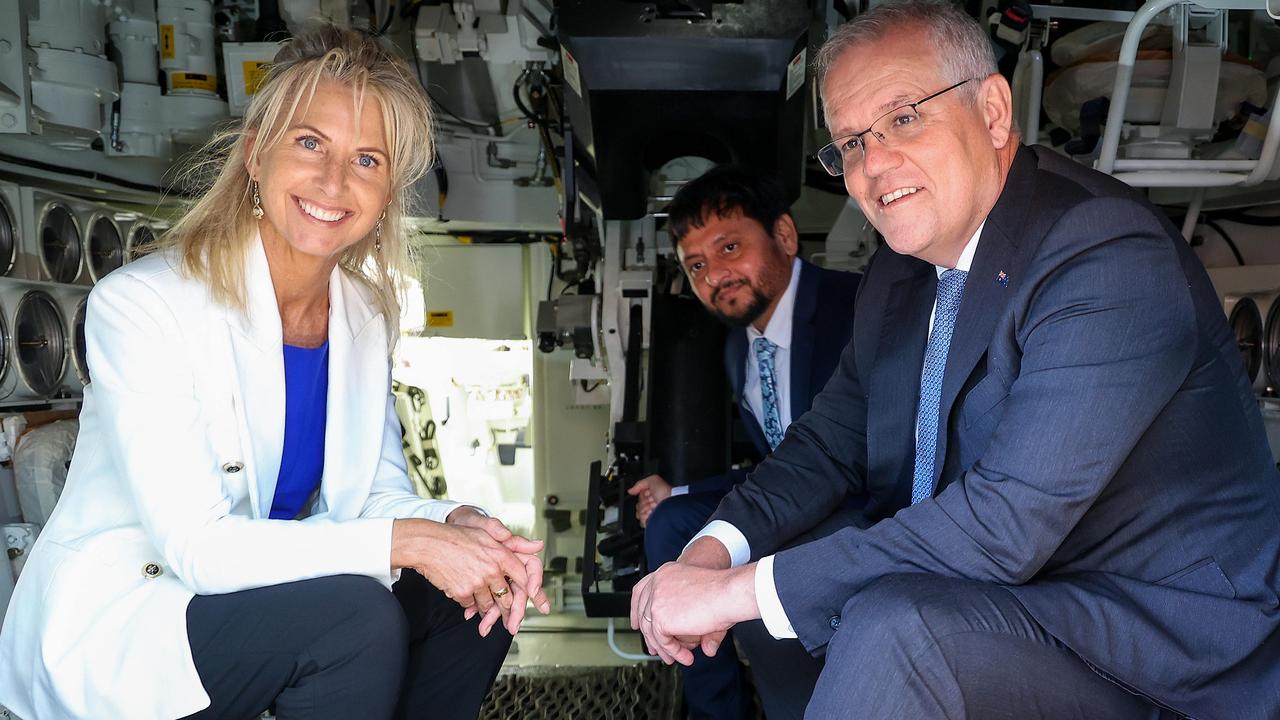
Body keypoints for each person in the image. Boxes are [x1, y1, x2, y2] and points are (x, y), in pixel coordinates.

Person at [630, 2, 1280, 718]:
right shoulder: (901, 273)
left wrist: (736, 591)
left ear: (994, 111)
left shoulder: (1104, 253)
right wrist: (713, 552)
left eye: (905, 118)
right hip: (1019, 601)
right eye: (849, 143)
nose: (874, 164)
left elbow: (1005, 523)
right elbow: (825, 446)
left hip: (1155, 640)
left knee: (893, 629)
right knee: (805, 600)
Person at [0, 26, 549, 720]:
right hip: (141, 618)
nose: (333, 182)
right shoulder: (144, 305)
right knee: (354, 620)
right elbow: (198, 548)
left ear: (387, 192)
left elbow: (373, 496)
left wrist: (463, 527)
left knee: (472, 601)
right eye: (310, 143)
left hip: (253, 599)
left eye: (367, 160)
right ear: (257, 154)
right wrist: (414, 542)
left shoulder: (363, 314)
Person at [627, 165, 860, 719]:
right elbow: (781, 465)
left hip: (861, 508)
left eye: (730, 247)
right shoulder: (740, 350)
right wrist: (678, 489)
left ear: (783, 235)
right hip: (798, 500)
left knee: (756, 615)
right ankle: (717, 712)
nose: (716, 274)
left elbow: (837, 462)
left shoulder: (853, 309)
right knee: (671, 521)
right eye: (698, 265)